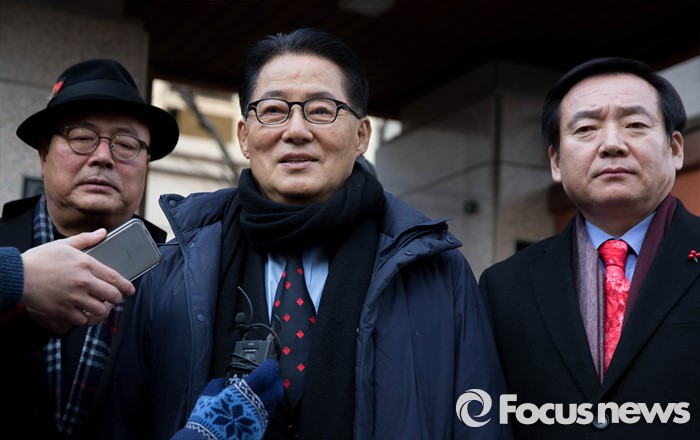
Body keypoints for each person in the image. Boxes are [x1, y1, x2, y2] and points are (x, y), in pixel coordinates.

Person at [106, 27, 510, 440]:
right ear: (244, 136)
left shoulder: (437, 272)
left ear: (361, 136)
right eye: (273, 110)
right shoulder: (170, 273)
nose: (296, 130)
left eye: (320, 110)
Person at [479, 57, 699, 439]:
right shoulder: (504, 287)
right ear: (556, 161)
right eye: (585, 128)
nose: (612, 144)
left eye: (635, 124)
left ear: (675, 149)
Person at [0, 58, 178, 438]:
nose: (102, 157)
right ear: (43, 154)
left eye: (126, 144)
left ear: (146, 163)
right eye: (82, 137)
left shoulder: (178, 276)